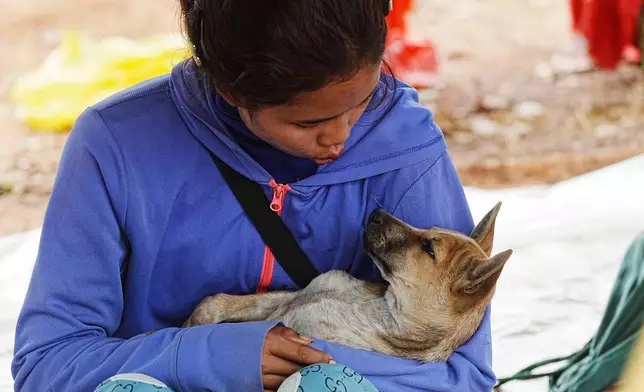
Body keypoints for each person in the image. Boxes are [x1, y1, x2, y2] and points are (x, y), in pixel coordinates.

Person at [11, 0, 495, 391]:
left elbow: (462, 375)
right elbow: (48, 365)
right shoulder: (116, 144)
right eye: (307, 123)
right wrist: (210, 357)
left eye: (362, 102)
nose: (341, 138)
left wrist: (316, 365)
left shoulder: (404, 146)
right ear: (230, 90)